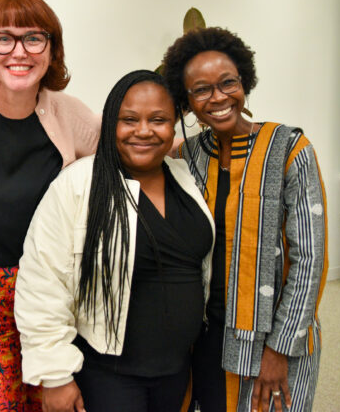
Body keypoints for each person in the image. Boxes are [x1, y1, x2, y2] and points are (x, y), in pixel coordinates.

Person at [15, 70, 215, 412]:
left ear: (174, 124)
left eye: (158, 120)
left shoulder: (184, 179)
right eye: (129, 119)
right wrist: (56, 376)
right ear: (110, 124)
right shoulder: (78, 184)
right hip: (111, 376)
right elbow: (42, 283)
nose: (144, 130)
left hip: (177, 369)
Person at [0, 0, 101, 411]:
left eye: (34, 38)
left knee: (55, 400)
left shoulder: (70, 113)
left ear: (51, 50)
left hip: (52, 288)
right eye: (4, 39)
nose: (19, 51)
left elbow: (131, 149)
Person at [162, 27, 327, 412]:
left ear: (244, 83)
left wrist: (280, 350)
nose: (217, 97)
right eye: (201, 90)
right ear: (186, 102)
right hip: (204, 334)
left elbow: (310, 260)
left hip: (270, 336)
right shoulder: (188, 154)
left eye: (227, 83)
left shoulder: (289, 149)